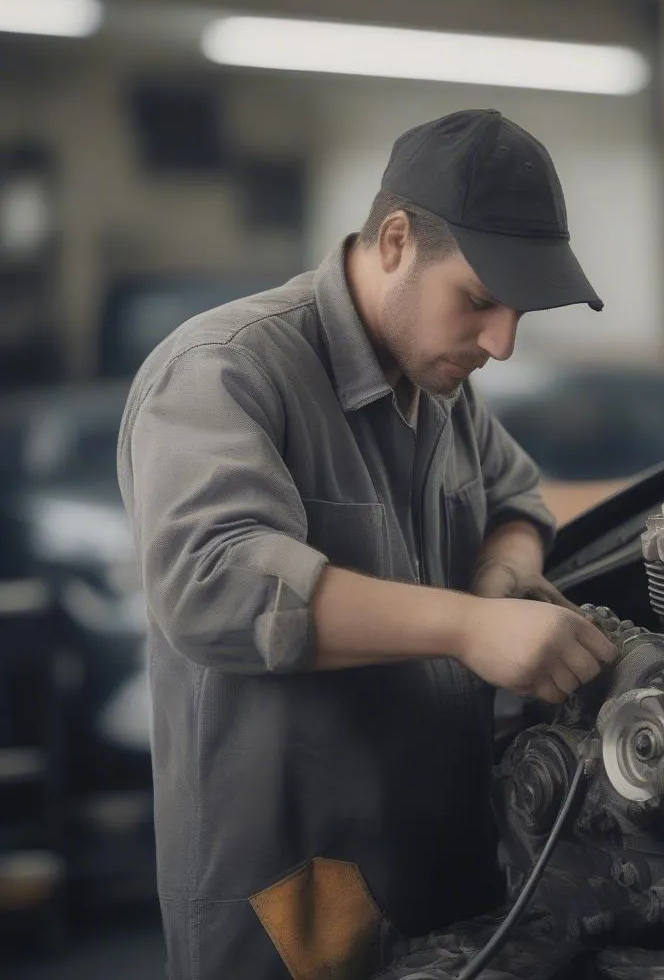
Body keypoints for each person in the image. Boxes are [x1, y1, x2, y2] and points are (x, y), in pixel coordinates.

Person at [117, 108, 619, 980]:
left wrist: (504, 574)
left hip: (445, 864)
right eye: (479, 300)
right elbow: (213, 583)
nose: (500, 343)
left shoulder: (444, 390)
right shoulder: (228, 369)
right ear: (394, 240)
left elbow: (517, 497)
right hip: (296, 891)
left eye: (519, 313)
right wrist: (468, 628)